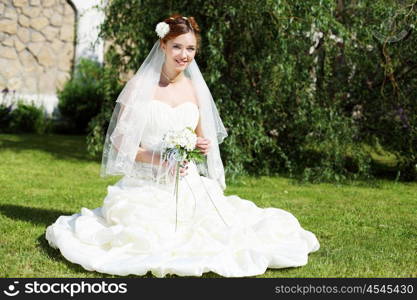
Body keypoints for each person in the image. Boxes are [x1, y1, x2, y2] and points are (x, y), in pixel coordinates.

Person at [45, 14, 320, 278]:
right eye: (177, 46)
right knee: (146, 236)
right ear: (163, 45)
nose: (184, 55)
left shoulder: (195, 88)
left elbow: (203, 139)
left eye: (191, 48)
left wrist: (200, 144)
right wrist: (157, 158)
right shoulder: (140, 86)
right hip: (146, 184)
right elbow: (120, 144)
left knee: (221, 231)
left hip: (187, 182)